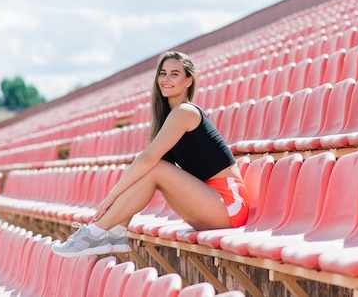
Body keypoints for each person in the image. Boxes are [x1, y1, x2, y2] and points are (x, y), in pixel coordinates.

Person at [52, 51, 249, 257]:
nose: (165, 79)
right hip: (209, 204)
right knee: (152, 170)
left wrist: (110, 197)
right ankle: (117, 231)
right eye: (162, 73)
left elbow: (147, 159)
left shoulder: (186, 112)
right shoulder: (169, 118)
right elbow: (146, 165)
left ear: (188, 81)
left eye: (174, 74)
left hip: (228, 204)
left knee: (155, 167)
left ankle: (94, 233)